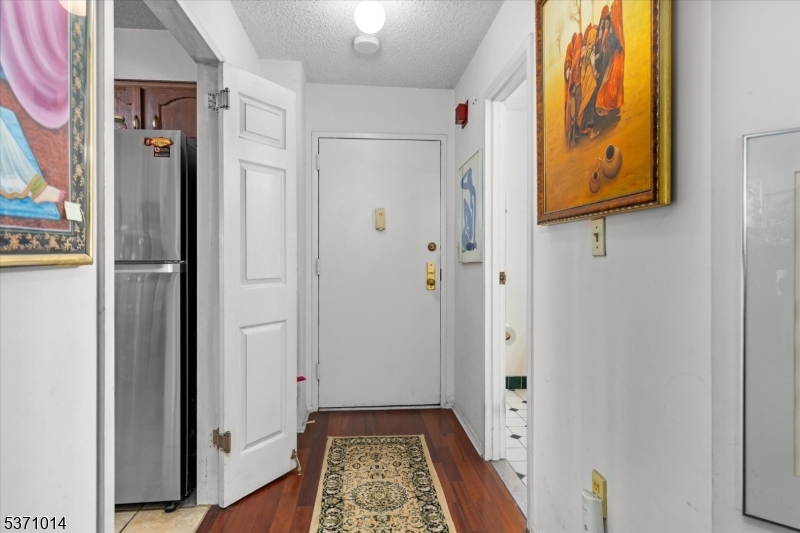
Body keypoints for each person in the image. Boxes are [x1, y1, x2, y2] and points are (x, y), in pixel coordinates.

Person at [596, 0, 625, 115]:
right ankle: (604, 105)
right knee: (608, 80)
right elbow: (604, 43)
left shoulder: (612, 27)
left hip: (611, 55)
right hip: (610, 56)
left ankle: (609, 106)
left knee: (611, 80)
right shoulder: (608, 29)